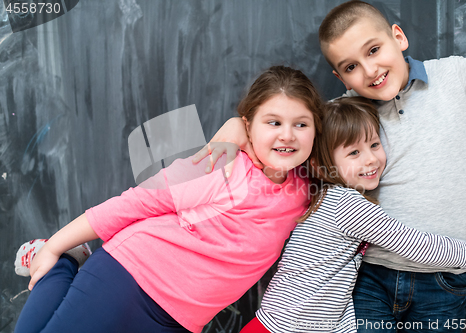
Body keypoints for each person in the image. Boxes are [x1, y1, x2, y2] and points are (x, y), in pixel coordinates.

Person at [193, 1, 466, 331]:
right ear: (341, 78)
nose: (369, 71)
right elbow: (283, 134)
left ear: (398, 37)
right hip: (371, 276)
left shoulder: (457, 74)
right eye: (351, 67)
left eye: (374, 50)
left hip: (444, 278)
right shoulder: (338, 117)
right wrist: (237, 126)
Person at [13, 65, 323, 333]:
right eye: (273, 122)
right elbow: (137, 202)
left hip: (183, 321)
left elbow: (352, 123)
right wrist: (55, 245)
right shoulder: (221, 164)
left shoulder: (305, 189)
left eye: (301, 124)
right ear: (248, 125)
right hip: (129, 279)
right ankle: (62, 256)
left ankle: (67, 258)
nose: (287, 135)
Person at [238, 97, 466, 333]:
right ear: (319, 164)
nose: (370, 159)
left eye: (374, 144)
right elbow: (412, 243)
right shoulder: (345, 204)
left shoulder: (324, 196)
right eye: (353, 153)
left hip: (280, 321)